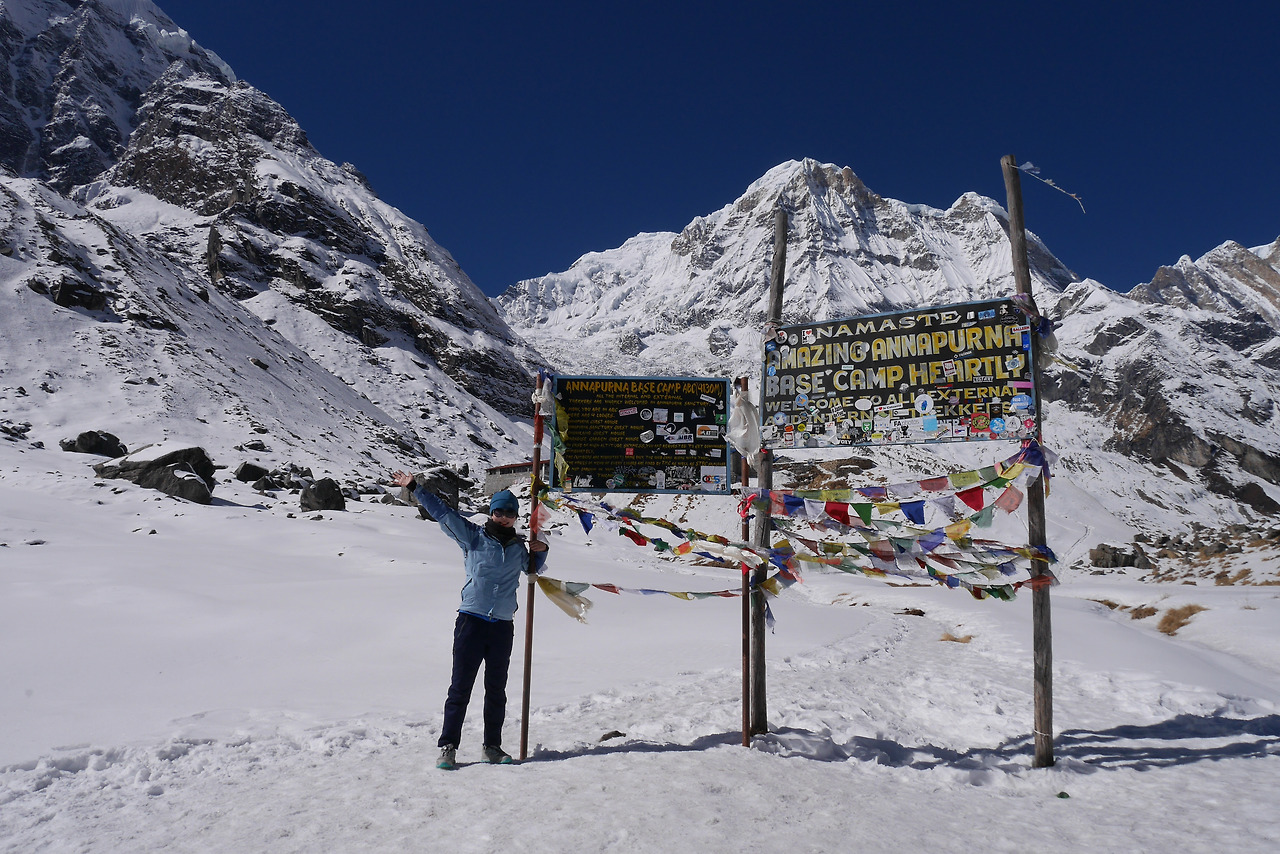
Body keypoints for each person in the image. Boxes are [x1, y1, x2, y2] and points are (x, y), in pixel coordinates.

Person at [390, 470, 547, 770]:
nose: (503, 518)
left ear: (515, 518)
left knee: (496, 690)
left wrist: (542, 550)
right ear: (491, 513)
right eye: (498, 512)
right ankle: (448, 746)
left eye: (509, 514)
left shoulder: (517, 549)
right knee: (460, 688)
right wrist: (414, 487)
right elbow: (444, 513)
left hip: (502, 626)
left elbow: (532, 571)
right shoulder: (474, 537)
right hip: (471, 622)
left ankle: (492, 746)